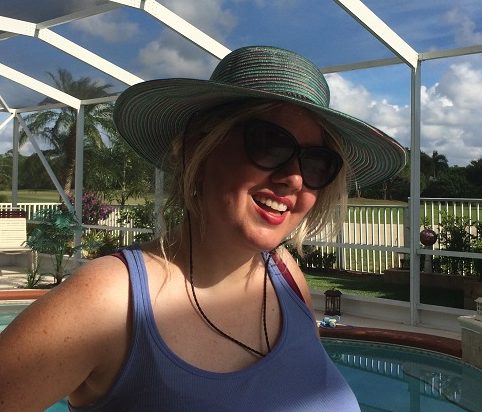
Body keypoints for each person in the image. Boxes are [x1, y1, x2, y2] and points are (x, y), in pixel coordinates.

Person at [0, 45, 405, 411]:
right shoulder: (111, 301)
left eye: (316, 162)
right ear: (198, 146)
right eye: (269, 144)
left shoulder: (284, 276)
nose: (294, 179)